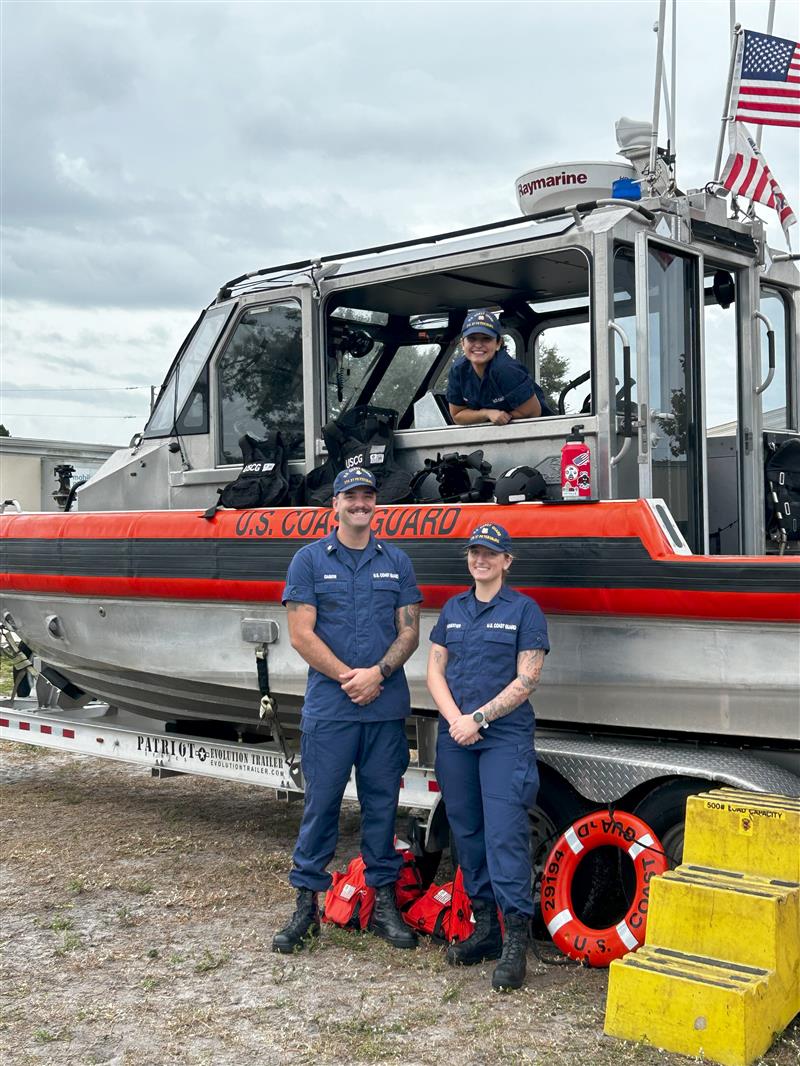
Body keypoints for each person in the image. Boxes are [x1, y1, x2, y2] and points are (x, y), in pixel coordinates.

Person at [273, 466, 422, 954]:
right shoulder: (310, 562)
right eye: (351, 495)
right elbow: (301, 634)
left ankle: (383, 906)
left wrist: (377, 674)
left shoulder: (396, 561)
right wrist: (348, 677)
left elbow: (409, 631)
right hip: (333, 709)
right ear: (334, 504)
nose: (360, 503)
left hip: (383, 707)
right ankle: (306, 909)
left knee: (383, 809)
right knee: (321, 808)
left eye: (367, 496)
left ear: (375, 503)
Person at [426, 522, 548, 991]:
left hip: (503, 738)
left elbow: (527, 679)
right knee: (468, 833)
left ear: (506, 561)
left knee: (505, 835)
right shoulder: (453, 610)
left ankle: (516, 939)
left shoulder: (524, 611)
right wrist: (458, 719)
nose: (481, 560)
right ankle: (487, 929)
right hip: (456, 736)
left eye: (490, 554)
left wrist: (478, 718)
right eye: (475, 553)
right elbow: (436, 669)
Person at [446, 309, 552, 425]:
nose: (478, 345)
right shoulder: (458, 370)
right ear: (462, 343)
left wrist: (499, 417)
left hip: (539, 432)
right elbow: (457, 416)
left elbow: (533, 412)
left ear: (498, 343)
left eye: (486, 338)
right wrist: (487, 413)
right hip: (487, 436)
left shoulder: (505, 369)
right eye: (472, 338)